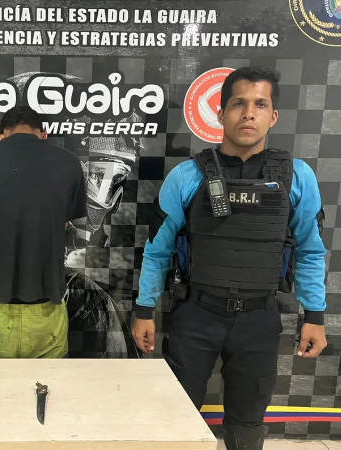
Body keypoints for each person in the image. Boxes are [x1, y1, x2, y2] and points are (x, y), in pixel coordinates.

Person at [132, 67, 327, 450]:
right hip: (196, 315)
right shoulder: (187, 176)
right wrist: (144, 309)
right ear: (220, 113)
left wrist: (315, 316)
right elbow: (158, 249)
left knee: (248, 425)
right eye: (238, 103)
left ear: (273, 116)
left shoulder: (297, 177)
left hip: (259, 319)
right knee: (176, 418)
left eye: (260, 104)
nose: (249, 113)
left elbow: (310, 249)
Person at [0, 104, 87, 359]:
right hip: (46, 311)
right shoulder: (69, 163)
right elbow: (65, 224)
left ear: (2, 135)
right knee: (48, 385)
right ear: (43, 134)